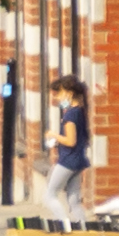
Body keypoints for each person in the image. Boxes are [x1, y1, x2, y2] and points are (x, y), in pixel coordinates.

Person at [38, 71, 90, 222]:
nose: (58, 97)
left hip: (67, 160)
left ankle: (64, 223)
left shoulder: (70, 115)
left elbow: (71, 140)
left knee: (49, 195)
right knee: (74, 200)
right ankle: (83, 229)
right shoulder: (80, 112)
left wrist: (54, 135)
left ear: (69, 92)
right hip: (79, 160)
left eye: (60, 93)